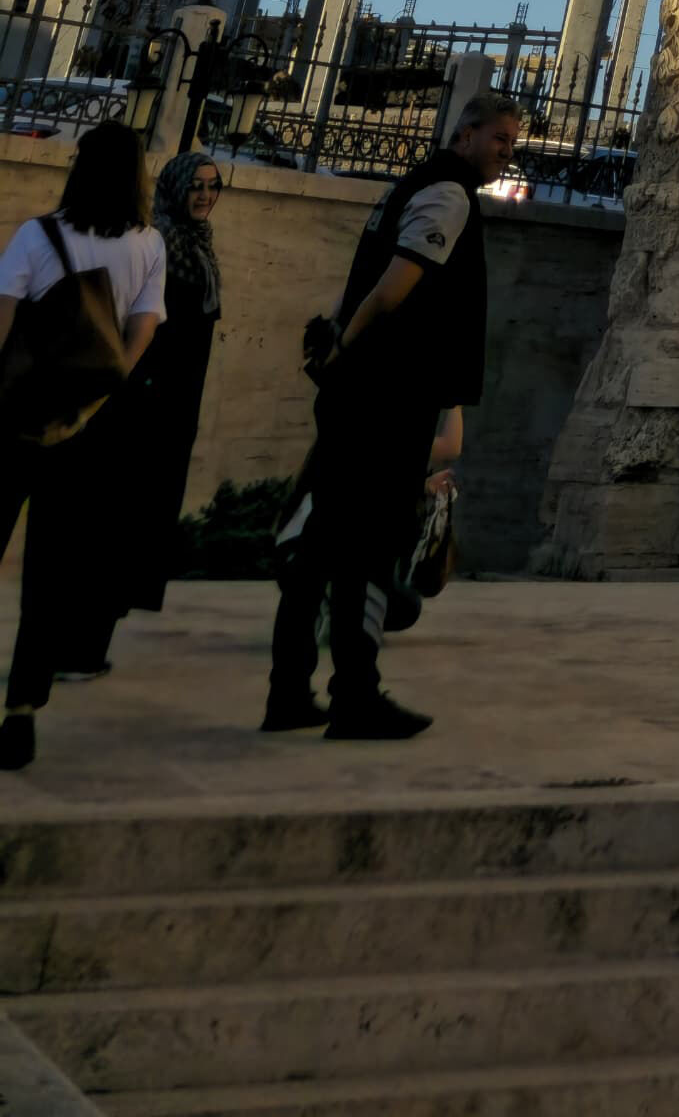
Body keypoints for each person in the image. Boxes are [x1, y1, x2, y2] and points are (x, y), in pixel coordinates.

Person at [265, 87, 527, 744]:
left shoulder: (412, 186)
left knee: (324, 543)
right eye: (498, 140)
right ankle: (354, 696)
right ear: (465, 134)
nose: (505, 154)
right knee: (367, 548)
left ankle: (290, 692)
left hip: (366, 391)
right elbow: (393, 286)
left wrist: (339, 356)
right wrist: (346, 351)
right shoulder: (448, 193)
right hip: (388, 396)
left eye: (512, 145)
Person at [0, 119, 165, 771]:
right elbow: (142, 329)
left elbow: (4, 318)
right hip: (86, 426)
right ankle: (20, 714)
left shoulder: (36, 235)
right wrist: (93, 401)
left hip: (13, 419)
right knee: (51, 571)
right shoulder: (149, 243)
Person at [109, 150, 227, 618]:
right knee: (134, 491)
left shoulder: (199, 243)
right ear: (176, 187)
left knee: (159, 491)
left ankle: (130, 590)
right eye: (195, 185)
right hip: (150, 387)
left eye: (212, 185)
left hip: (182, 391)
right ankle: (111, 594)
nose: (204, 195)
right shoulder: (158, 239)